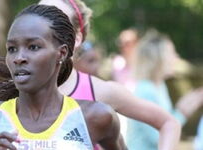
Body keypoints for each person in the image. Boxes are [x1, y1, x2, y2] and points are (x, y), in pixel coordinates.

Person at [0, 4, 126, 150]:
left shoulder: (96, 116)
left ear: (62, 53)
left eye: (33, 47)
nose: (19, 57)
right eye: (12, 48)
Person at [38, 0, 181, 149]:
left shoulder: (99, 91)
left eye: (56, 20)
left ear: (77, 38)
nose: (42, 26)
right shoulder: (15, 90)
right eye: (37, 14)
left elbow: (169, 123)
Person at [127, 29, 203, 150]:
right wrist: (182, 112)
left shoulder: (159, 86)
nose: (176, 57)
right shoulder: (146, 91)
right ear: (157, 59)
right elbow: (160, 138)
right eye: (172, 53)